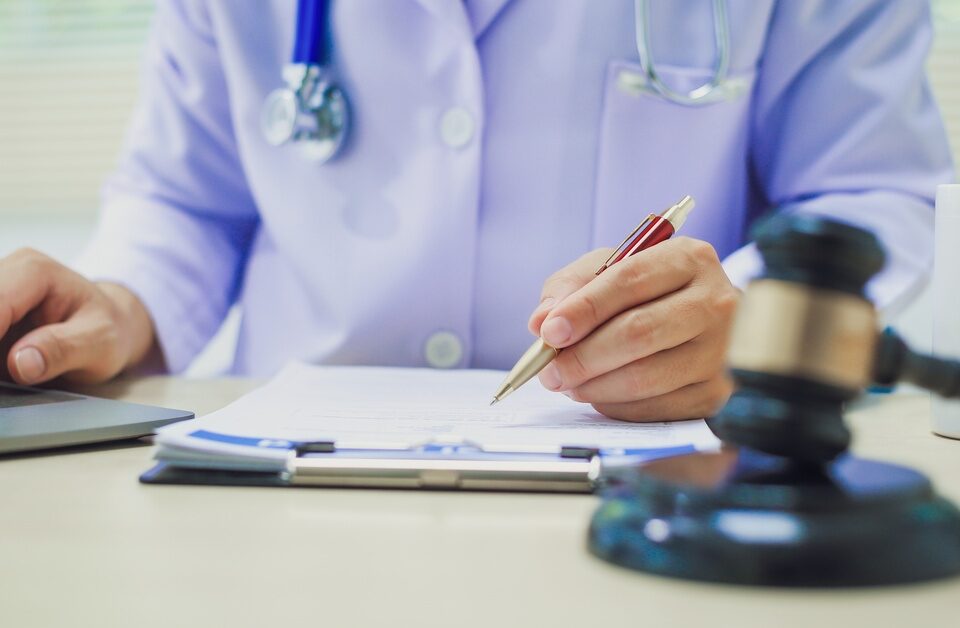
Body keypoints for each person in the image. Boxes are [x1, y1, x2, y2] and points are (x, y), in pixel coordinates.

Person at [0, 0, 953, 422]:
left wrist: (745, 320)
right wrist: (124, 306)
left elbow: (871, 191)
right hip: (276, 479)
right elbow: (186, 199)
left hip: (647, 481)